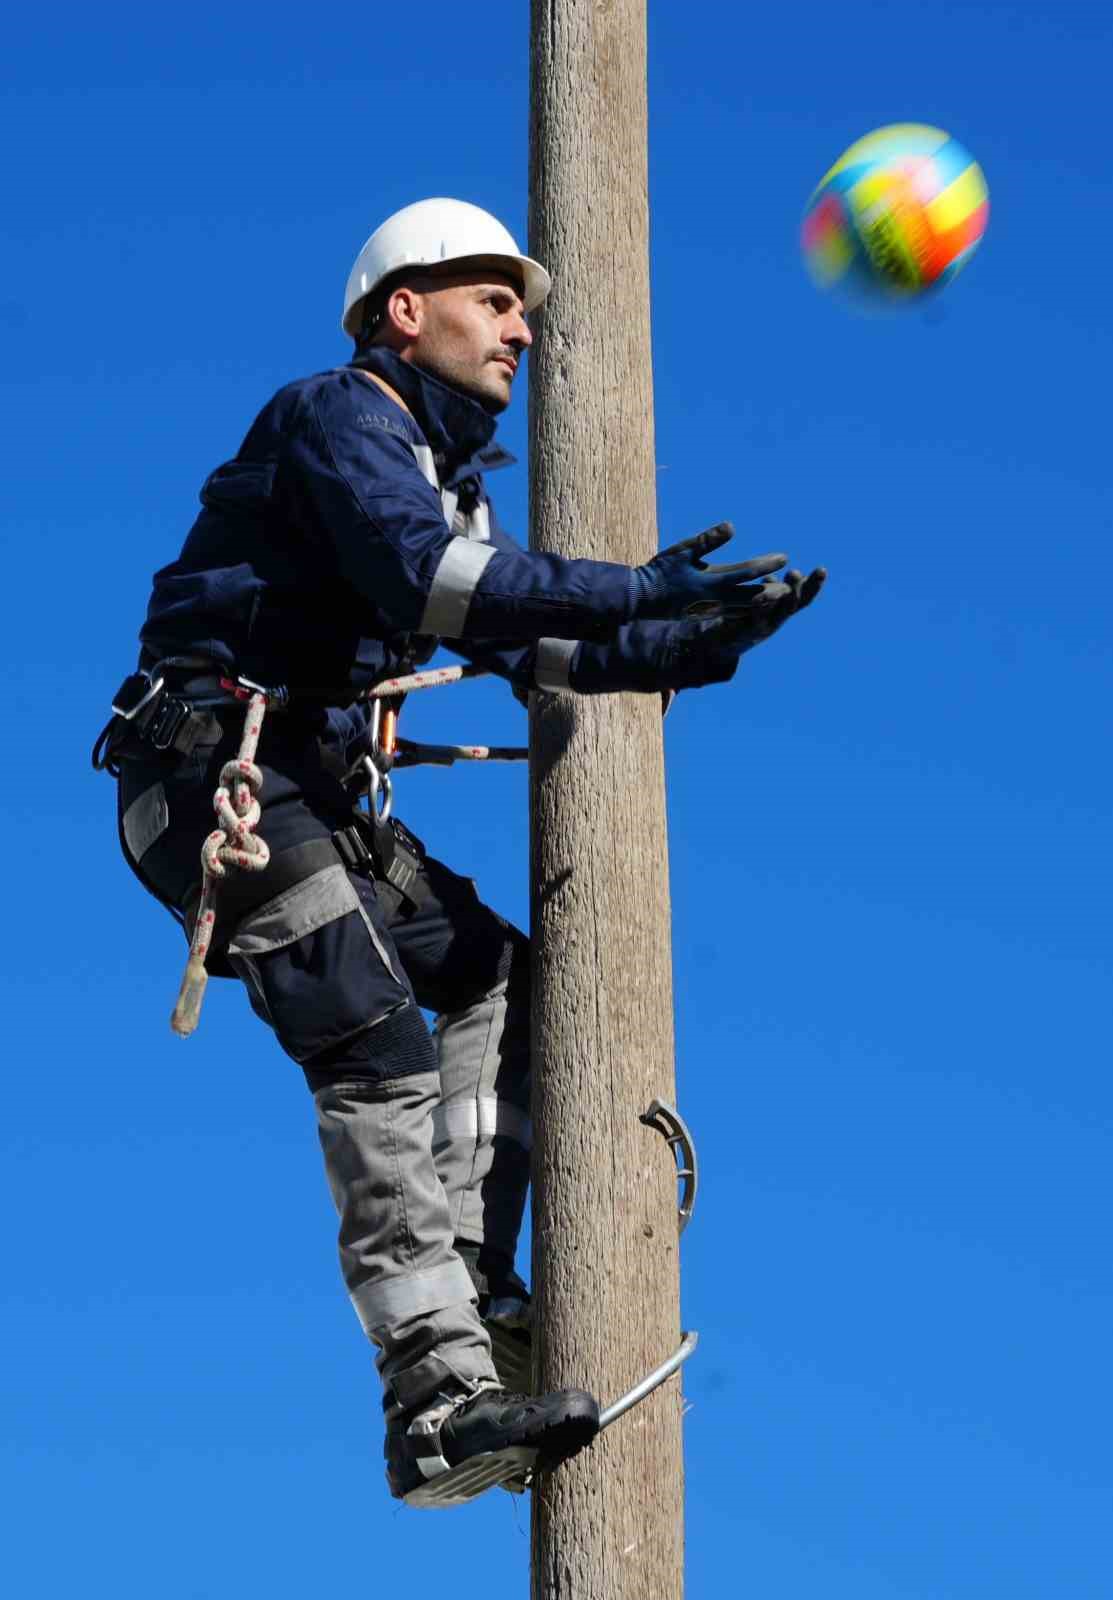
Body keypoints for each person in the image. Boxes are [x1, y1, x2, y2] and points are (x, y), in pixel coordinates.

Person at [93, 198, 826, 1506]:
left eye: (524, 310)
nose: (521, 330)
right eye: (494, 302)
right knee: (372, 1038)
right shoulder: (336, 419)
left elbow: (521, 637)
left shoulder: (446, 478)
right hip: (219, 783)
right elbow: (438, 585)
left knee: (503, 975)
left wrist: (693, 641)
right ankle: (435, 1413)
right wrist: (636, 590)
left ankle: (477, 1300)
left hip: (317, 796)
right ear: (403, 311)